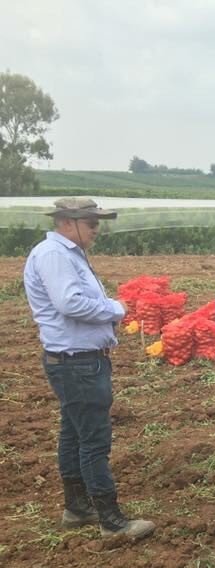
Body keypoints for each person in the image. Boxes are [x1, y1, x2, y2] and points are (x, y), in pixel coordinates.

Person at [23, 197, 155, 540]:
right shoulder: (54, 255)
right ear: (68, 222)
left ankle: (77, 508)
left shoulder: (67, 253)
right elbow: (71, 304)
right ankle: (111, 522)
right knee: (94, 440)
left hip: (75, 361)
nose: (97, 229)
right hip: (77, 363)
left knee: (74, 433)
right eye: (91, 223)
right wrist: (117, 309)